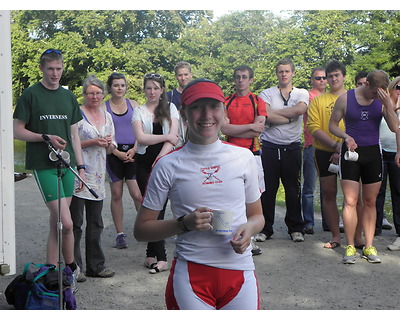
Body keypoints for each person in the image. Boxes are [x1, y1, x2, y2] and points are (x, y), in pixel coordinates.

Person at [134, 78, 264, 310]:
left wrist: (250, 230)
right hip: (192, 275)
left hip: (240, 273)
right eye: (196, 107)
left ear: (224, 113)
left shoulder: (244, 158)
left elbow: (257, 217)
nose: (206, 115)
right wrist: (184, 223)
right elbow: (142, 230)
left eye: (214, 106)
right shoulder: (167, 164)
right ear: (183, 114)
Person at [13, 49, 85, 290]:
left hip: (67, 164)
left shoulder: (68, 97)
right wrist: (45, 136)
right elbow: (17, 130)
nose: (55, 73)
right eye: (51, 69)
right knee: (66, 222)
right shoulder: (31, 94)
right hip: (44, 165)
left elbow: (74, 135)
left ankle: (51, 272)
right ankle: (72, 269)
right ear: (42, 69)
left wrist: (81, 167)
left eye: (59, 69)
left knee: (57, 221)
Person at [329, 70, 399, 264]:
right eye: (376, 92)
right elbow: (332, 125)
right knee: (351, 201)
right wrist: (346, 137)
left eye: (381, 93)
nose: (378, 96)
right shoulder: (345, 99)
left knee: (370, 201)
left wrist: (387, 105)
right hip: (350, 153)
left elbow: (395, 127)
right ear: (366, 85)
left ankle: (369, 246)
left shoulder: (382, 99)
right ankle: (350, 246)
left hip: (373, 154)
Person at [255, 59, 308, 242]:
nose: (284, 74)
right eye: (280, 71)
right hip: (269, 146)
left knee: (293, 190)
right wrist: (288, 117)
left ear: (293, 73)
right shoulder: (267, 93)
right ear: (276, 74)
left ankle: (295, 228)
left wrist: (278, 115)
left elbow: (300, 109)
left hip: (292, 147)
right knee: (268, 190)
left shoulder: (302, 92)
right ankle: (265, 229)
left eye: (287, 71)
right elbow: (265, 114)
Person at [132, 73, 180, 274]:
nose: (152, 92)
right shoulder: (138, 111)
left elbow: (174, 139)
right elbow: (141, 138)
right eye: (148, 88)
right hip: (143, 164)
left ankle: (152, 255)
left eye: (156, 88)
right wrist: (166, 136)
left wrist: (159, 161)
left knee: (160, 208)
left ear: (162, 90)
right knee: (152, 208)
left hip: (165, 161)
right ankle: (160, 258)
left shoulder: (171, 108)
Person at [70, 75, 116, 280]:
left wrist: (108, 144)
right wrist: (93, 142)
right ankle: (74, 267)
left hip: (98, 175)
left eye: (98, 92)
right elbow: (72, 143)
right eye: (90, 92)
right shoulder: (77, 114)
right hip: (79, 173)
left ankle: (95, 266)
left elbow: (112, 145)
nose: (94, 96)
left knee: (96, 222)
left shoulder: (107, 116)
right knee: (76, 222)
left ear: (103, 94)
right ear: (84, 93)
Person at [221, 65, 267, 255]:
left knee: (254, 196)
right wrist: (249, 126)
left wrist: (237, 127)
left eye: (244, 77)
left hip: (252, 153)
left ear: (251, 80)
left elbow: (260, 128)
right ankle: (224, 235)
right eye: (238, 77)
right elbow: (224, 129)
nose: (241, 80)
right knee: (227, 194)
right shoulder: (226, 101)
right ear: (234, 79)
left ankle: (251, 238)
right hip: (230, 153)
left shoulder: (258, 101)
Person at [307, 61, 347, 249]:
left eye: (336, 75)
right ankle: (336, 236)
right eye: (329, 76)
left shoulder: (353, 98)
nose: (332, 79)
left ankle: (356, 236)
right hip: (324, 152)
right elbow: (314, 127)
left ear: (344, 76)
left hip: (351, 151)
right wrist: (335, 146)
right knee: (329, 194)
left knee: (353, 196)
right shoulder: (318, 101)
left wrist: (344, 147)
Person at [103, 72, 142, 249]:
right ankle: (120, 234)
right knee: (117, 194)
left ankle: (146, 227)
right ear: (110, 87)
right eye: (116, 85)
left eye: (122, 85)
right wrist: (117, 153)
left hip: (133, 152)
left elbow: (141, 129)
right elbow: (103, 134)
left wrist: (134, 149)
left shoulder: (133, 105)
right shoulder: (104, 108)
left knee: (137, 195)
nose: (120, 88)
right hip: (114, 154)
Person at [302, 67, 327, 234]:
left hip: (331, 146)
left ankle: (329, 222)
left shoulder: (333, 97)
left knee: (328, 188)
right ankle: (309, 222)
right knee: (309, 188)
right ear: (312, 80)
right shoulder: (307, 96)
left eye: (324, 77)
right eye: (318, 78)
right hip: (312, 146)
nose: (322, 80)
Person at [378, 76, 400, 248]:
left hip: (396, 154)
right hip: (379, 152)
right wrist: (389, 105)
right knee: (378, 190)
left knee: (398, 192)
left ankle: (399, 231)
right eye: (398, 87)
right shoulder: (381, 105)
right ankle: (375, 227)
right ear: (392, 87)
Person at [166, 62, 193, 148]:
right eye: (180, 75)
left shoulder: (198, 94)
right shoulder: (169, 96)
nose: (183, 78)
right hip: (175, 140)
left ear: (191, 75)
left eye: (186, 74)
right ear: (176, 77)